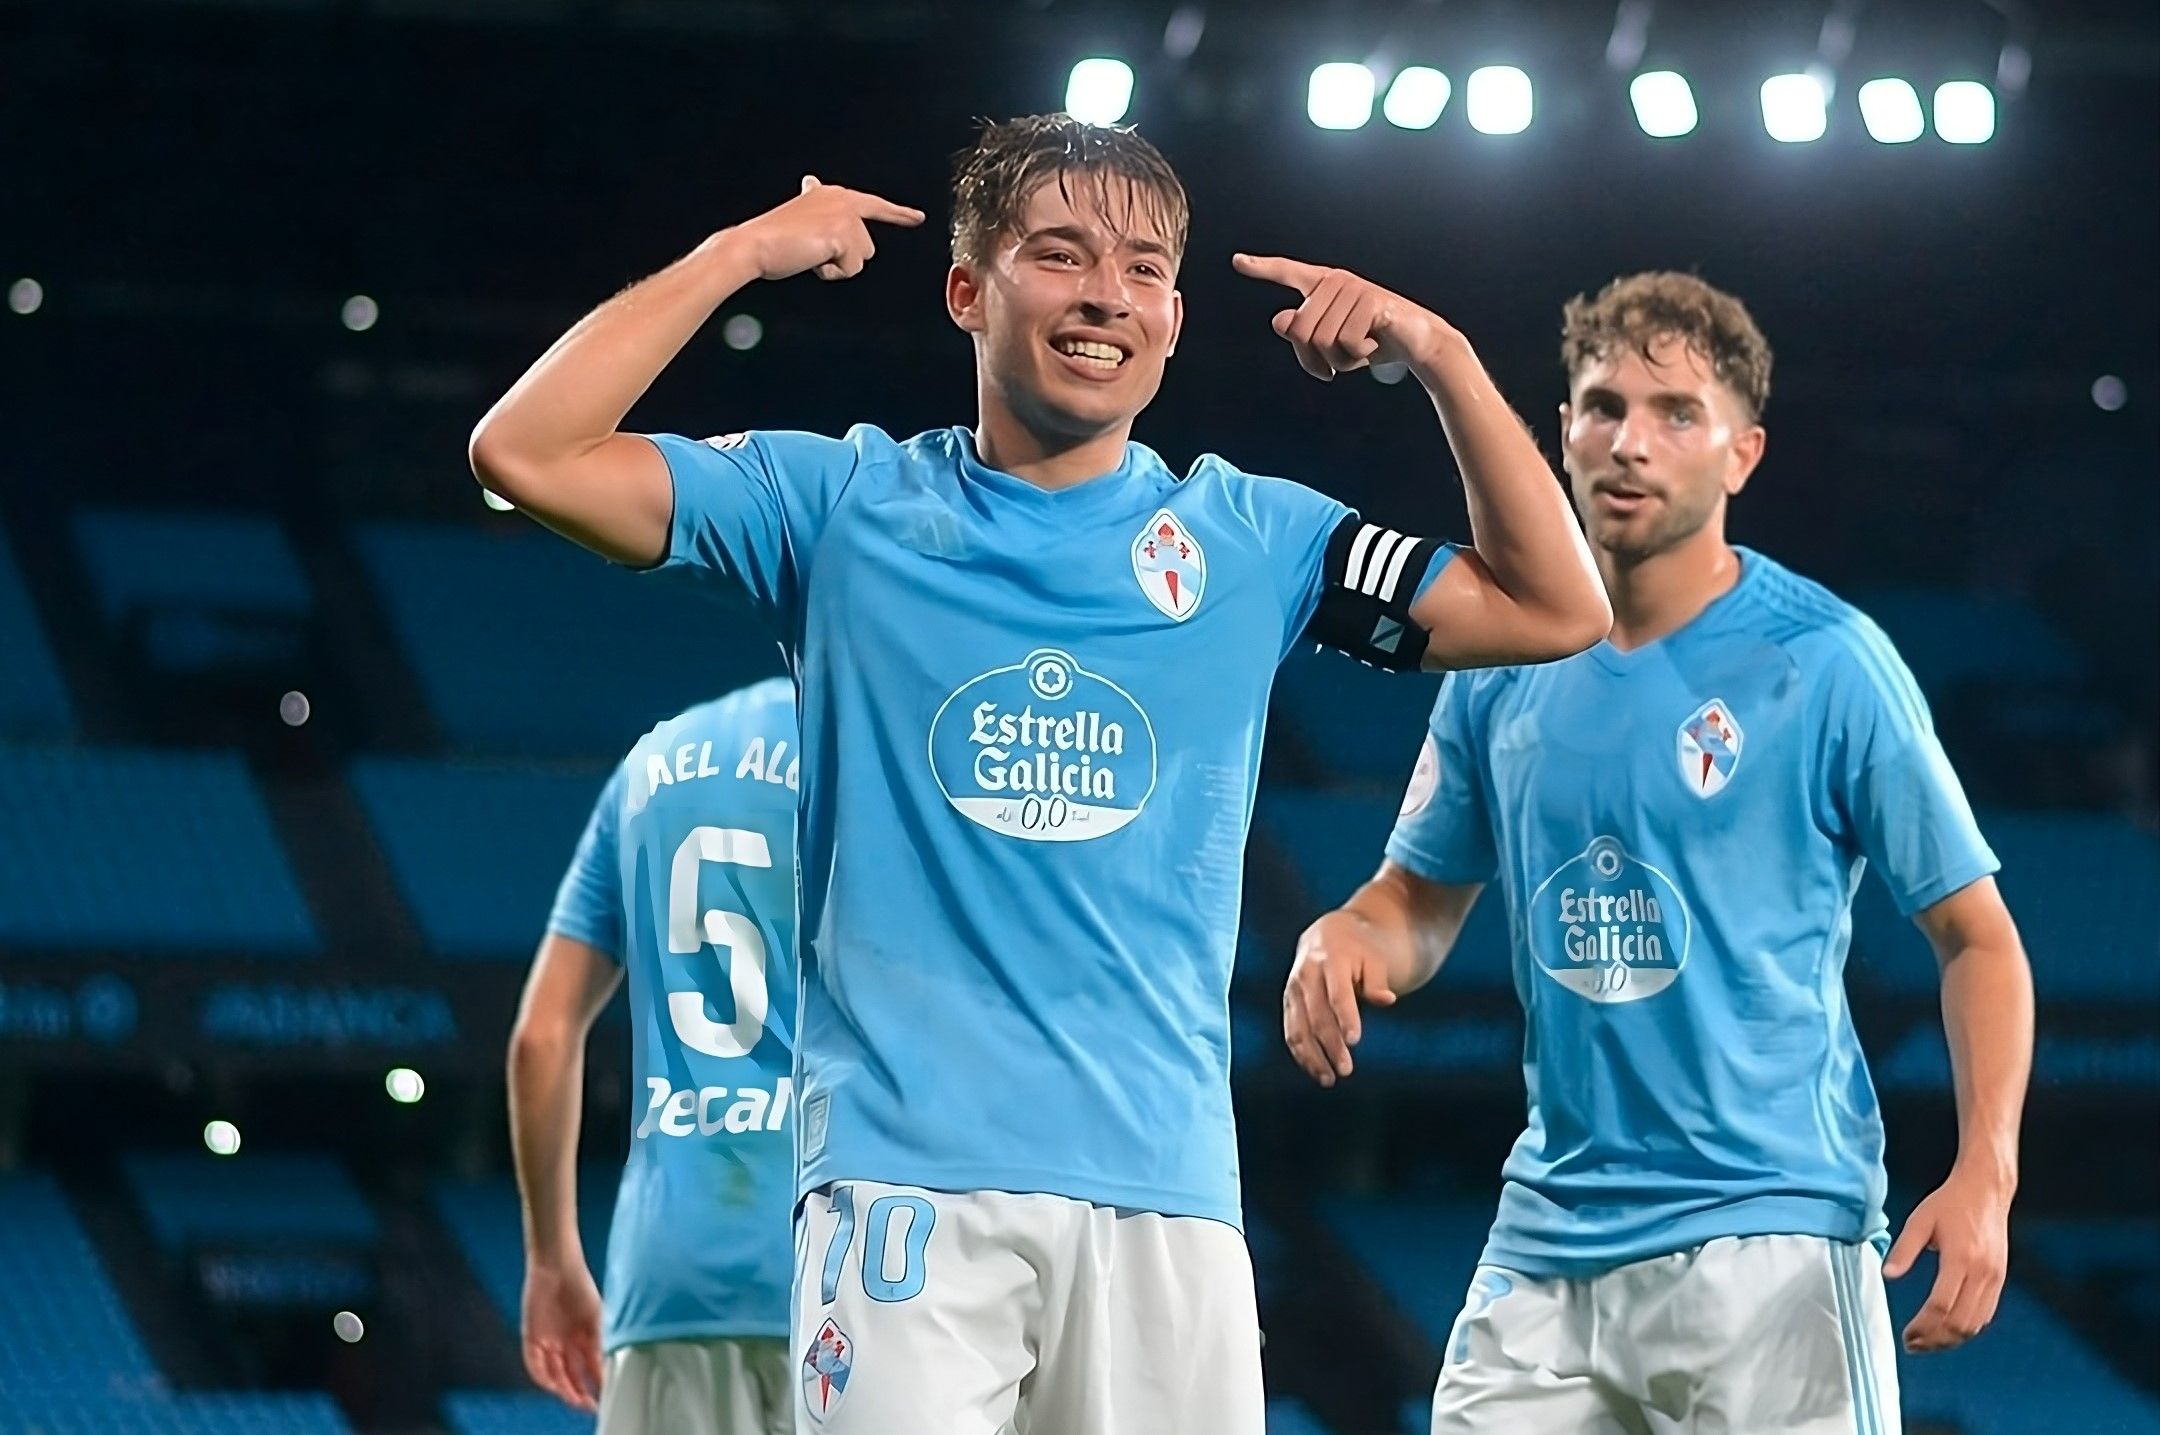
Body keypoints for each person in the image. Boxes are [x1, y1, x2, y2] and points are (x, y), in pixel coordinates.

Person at [470, 114, 1608, 1435]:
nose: (1105, 294)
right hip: (905, 1187)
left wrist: (1442, 357)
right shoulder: (837, 508)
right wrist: (736, 254)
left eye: (1142, 269)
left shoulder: (1257, 538)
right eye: (1060, 255)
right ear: (968, 290)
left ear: (1175, 319)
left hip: (1167, 1197)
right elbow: (525, 453)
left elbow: (1553, 606)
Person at [1283, 271, 2035, 1434]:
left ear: (1744, 454)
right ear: (1563, 431)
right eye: (1603, 406)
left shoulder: (1828, 662)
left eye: (1677, 413)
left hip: (1772, 1237)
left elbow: (1976, 936)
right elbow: (1416, 904)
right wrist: (1347, 934)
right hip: (1547, 1242)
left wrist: (1987, 1170)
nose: (1630, 442)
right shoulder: (1500, 666)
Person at [508, 678, 800, 1435]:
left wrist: (551, 1260)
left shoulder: (649, 764)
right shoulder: (881, 748)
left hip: (670, 1280)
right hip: (857, 1262)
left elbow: (541, 1038)